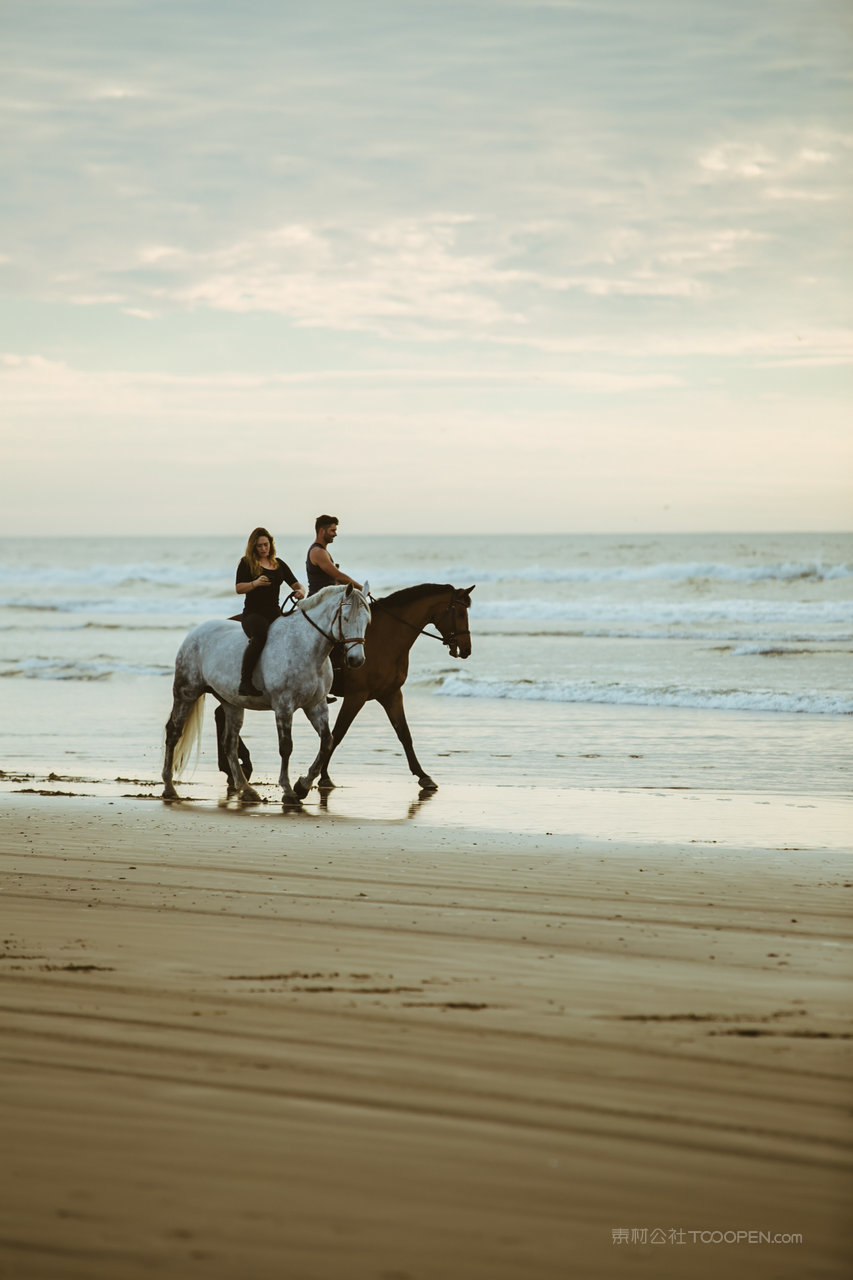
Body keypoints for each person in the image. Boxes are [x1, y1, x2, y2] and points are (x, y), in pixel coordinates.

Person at [236, 527, 305, 696]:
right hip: (253, 613)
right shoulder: (246, 563)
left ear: (271, 545)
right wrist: (255, 583)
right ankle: (245, 682)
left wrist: (301, 591)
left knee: (298, 634)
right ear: (253, 547)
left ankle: (303, 681)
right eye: (259, 546)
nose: (263, 548)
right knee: (260, 635)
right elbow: (238, 588)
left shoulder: (279, 564)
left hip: (275, 613)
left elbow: (296, 584)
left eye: (266, 544)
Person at [306, 515, 363, 596]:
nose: (335, 534)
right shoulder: (317, 551)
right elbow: (338, 576)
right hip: (319, 602)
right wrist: (361, 588)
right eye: (332, 530)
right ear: (322, 531)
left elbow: (332, 581)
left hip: (327, 599)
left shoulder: (322, 551)